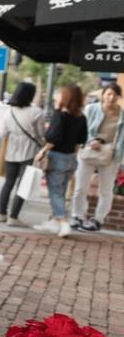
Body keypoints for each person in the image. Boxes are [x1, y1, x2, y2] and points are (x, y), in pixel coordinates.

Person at [34, 85, 88, 238]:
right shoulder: (81, 117)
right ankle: (55, 222)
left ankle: (64, 222)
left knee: (55, 193)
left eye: (59, 94)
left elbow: (54, 138)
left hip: (57, 157)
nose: (56, 97)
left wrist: (42, 151)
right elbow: (81, 141)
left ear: (66, 97)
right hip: (71, 158)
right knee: (61, 192)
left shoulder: (60, 115)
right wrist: (72, 156)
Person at [71, 83, 122, 233]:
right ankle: (77, 216)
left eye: (115, 95)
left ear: (119, 97)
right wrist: (90, 140)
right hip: (88, 151)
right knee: (80, 187)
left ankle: (98, 220)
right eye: (109, 94)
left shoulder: (122, 115)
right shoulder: (91, 109)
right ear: (103, 95)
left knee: (106, 190)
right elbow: (81, 129)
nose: (111, 97)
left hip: (111, 155)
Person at [0, 82, 45, 227]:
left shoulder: (9, 110)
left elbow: (4, 133)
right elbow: (41, 134)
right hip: (29, 152)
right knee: (23, 185)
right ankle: (13, 217)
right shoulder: (36, 112)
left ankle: (1, 214)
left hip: (12, 150)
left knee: (8, 183)